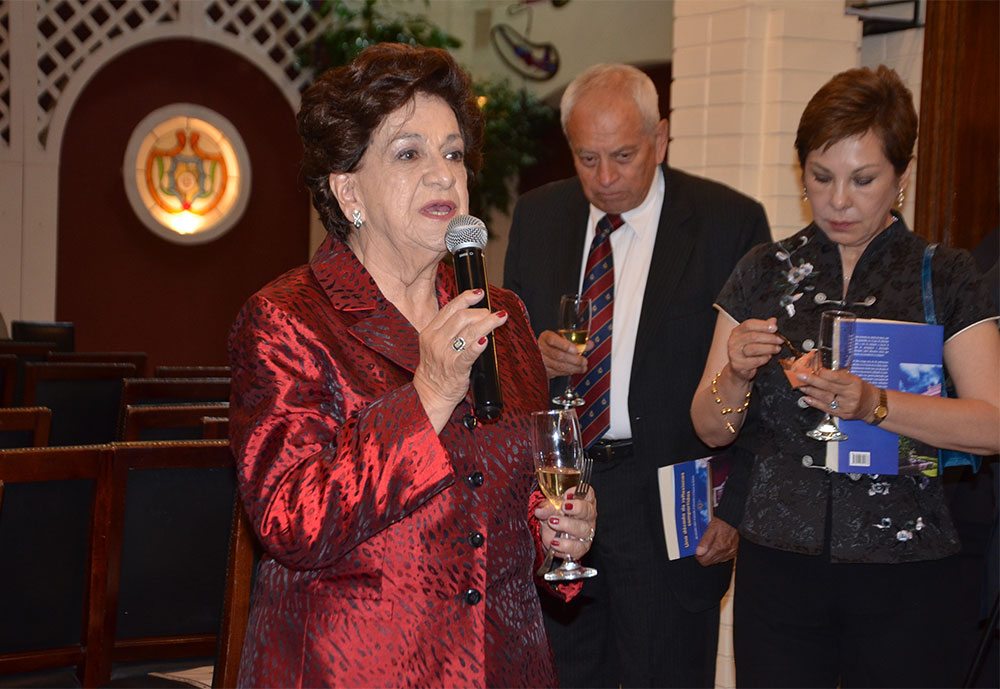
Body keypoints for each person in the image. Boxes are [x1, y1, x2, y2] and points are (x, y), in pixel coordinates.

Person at [227, 43, 597, 689]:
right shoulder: (288, 319)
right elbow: (292, 519)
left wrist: (558, 530)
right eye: (409, 154)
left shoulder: (502, 316)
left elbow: (517, 494)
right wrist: (428, 391)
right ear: (348, 190)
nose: (443, 176)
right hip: (358, 670)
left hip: (505, 665)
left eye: (453, 154)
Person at [690, 65, 1000, 688]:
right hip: (779, 566)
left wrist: (875, 405)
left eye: (863, 180)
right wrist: (735, 374)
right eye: (820, 176)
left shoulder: (944, 275)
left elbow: (991, 425)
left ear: (902, 176)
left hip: (909, 567)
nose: (837, 201)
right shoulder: (764, 271)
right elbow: (710, 427)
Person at [504, 63, 770, 688]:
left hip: (671, 497)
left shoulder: (726, 223)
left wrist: (735, 506)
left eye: (623, 156)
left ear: (662, 139)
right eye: (587, 158)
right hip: (560, 495)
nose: (605, 177)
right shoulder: (539, 215)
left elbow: (760, 379)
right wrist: (531, 355)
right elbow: (505, 357)